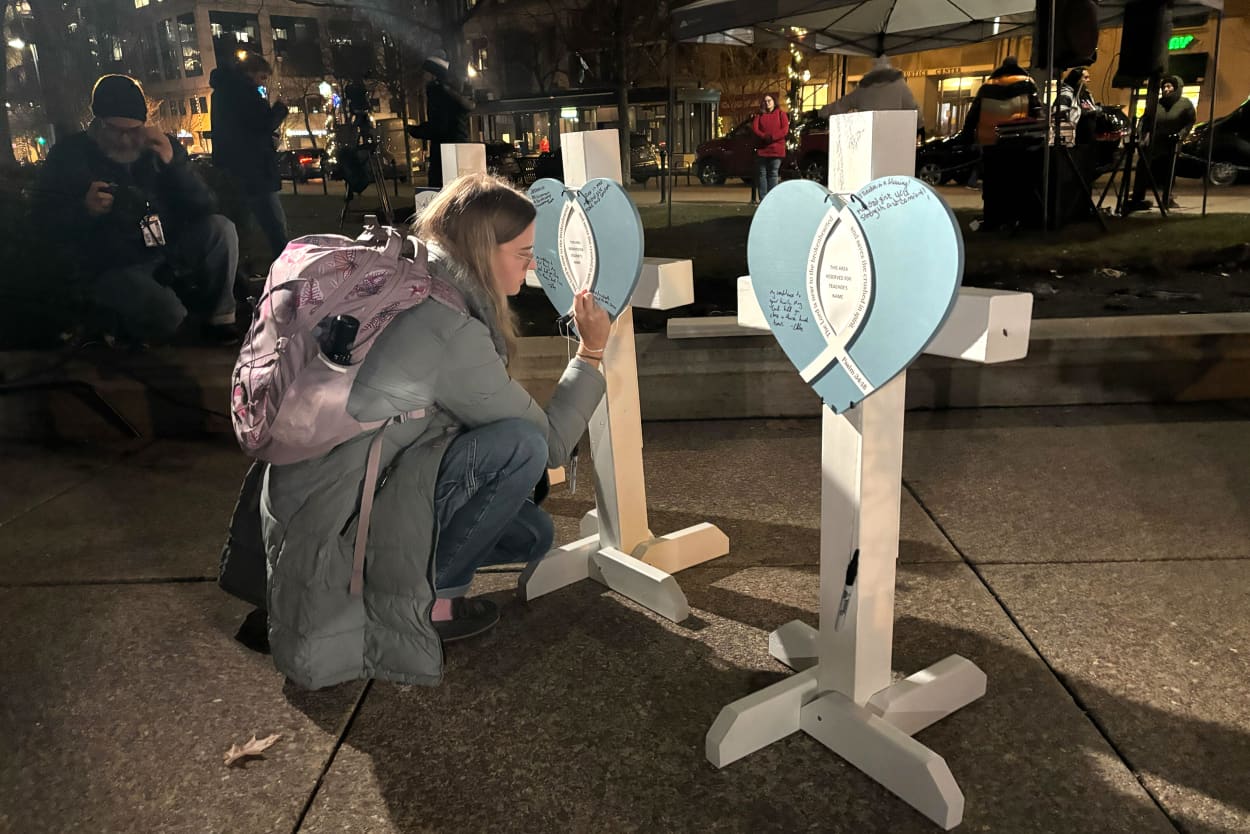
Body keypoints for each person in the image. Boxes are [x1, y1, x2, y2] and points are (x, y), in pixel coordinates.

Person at [260, 174, 611, 690]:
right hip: (343, 511)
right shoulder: (447, 325)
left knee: (533, 534)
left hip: (318, 485)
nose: (533, 265)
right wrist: (591, 352)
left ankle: (419, 572)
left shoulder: (413, 270)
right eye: (523, 253)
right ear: (483, 250)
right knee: (521, 447)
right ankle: (435, 604)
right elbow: (552, 445)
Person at [34, 74, 238, 344]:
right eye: (116, 130)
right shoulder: (70, 155)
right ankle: (115, 328)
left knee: (220, 229)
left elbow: (204, 206)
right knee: (170, 317)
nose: (125, 139)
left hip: (166, 250)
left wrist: (172, 165)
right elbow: (43, 220)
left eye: (134, 130)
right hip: (112, 262)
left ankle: (220, 321)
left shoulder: (159, 147)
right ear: (98, 123)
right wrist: (85, 210)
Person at [209, 53, 291, 262]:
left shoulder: (224, 92)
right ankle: (286, 267)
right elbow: (261, 124)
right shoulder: (244, 92)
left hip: (236, 169)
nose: (262, 83)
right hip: (255, 170)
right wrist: (280, 109)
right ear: (251, 73)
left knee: (243, 225)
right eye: (262, 77)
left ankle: (242, 268)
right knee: (274, 224)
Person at [1126, 75, 1196, 213]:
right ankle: (1138, 197)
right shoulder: (1155, 104)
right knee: (1143, 167)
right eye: (1164, 87)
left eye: (1169, 86)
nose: (1166, 89)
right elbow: (1144, 120)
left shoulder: (1185, 104)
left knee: (1169, 171)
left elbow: (1190, 122)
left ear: (1176, 88)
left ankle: (1167, 198)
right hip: (1154, 141)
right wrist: (1142, 135)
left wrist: (1180, 135)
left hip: (1171, 142)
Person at [408, 57, 476, 189]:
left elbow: (439, 125)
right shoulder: (451, 91)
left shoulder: (435, 92)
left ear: (433, 75)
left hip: (443, 150)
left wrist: (416, 131)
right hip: (458, 146)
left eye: (426, 72)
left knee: (439, 189)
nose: (423, 76)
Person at [820, 56, 921, 136]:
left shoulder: (864, 88)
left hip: (867, 137)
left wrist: (821, 112)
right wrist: (920, 126)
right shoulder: (899, 86)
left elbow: (842, 105)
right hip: (892, 137)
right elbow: (914, 109)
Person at [751, 94, 789, 201]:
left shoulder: (781, 114)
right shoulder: (759, 115)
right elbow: (755, 128)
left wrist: (772, 137)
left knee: (773, 174)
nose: (767, 103)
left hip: (776, 150)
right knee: (762, 174)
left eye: (769, 100)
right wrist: (764, 137)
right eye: (765, 101)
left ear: (774, 101)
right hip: (762, 149)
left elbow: (784, 130)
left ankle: (772, 199)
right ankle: (763, 199)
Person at [1055, 67, 1098, 141]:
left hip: (1089, 139)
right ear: (1077, 79)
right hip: (1075, 140)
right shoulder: (1066, 95)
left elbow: (1091, 109)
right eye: (1086, 78)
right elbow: (1059, 116)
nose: (1089, 80)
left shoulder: (1086, 94)